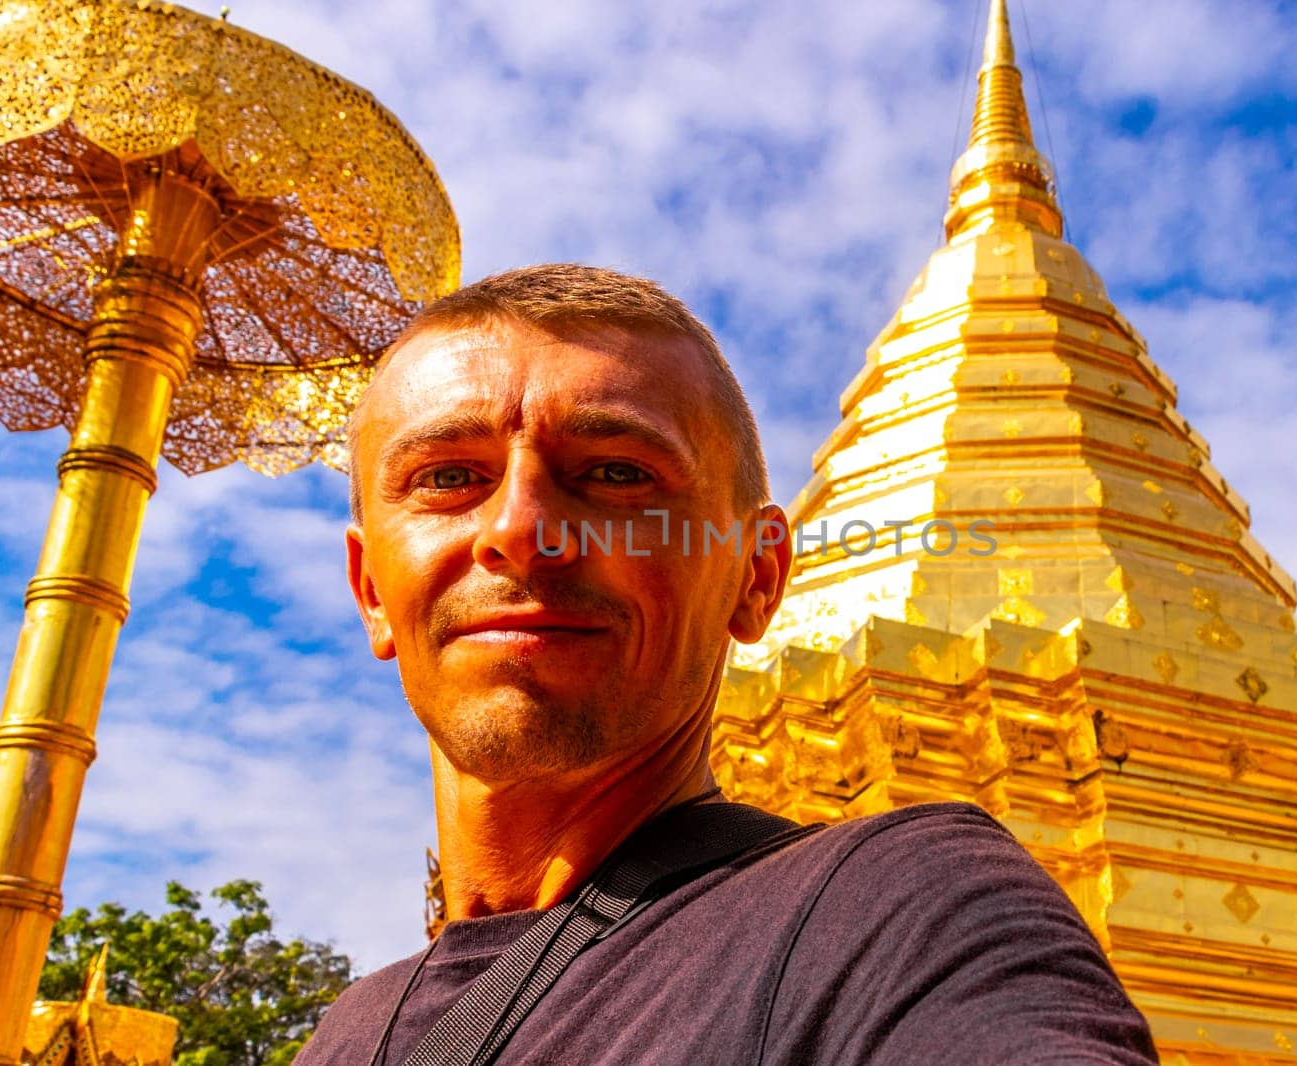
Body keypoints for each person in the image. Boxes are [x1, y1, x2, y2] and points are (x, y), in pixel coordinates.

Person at [298, 264, 1159, 1064]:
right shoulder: (346, 1036)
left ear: (757, 575)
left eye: (614, 473)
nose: (521, 530)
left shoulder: (897, 915)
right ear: (371, 587)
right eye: (448, 475)